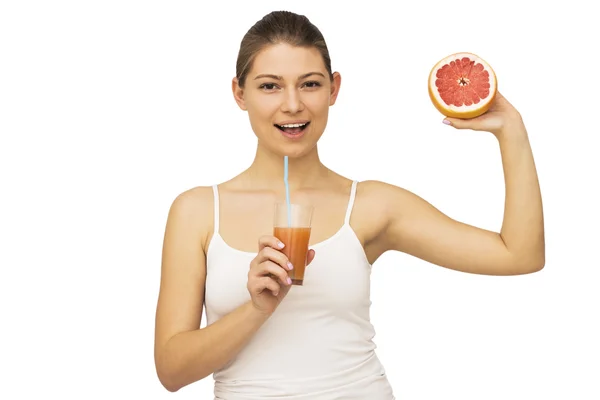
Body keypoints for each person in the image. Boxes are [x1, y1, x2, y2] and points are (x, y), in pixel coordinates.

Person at [153, 10, 545, 400]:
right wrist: (256, 308)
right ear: (240, 93)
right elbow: (172, 371)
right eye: (270, 86)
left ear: (333, 89)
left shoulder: (371, 206)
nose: (292, 105)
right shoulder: (198, 212)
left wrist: (512, 133)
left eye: (309, 84)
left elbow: (519, 255)